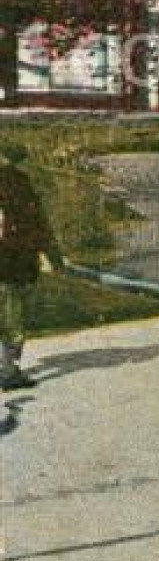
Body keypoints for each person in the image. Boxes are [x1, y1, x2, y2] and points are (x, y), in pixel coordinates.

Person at [0, 143, 57, 391]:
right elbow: (32, 221)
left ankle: (8, 368)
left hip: (10, 255)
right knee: (12, 311)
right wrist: (44, 252)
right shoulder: (18, 183)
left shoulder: (16, 182)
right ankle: (9, 372)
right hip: (11, 258)